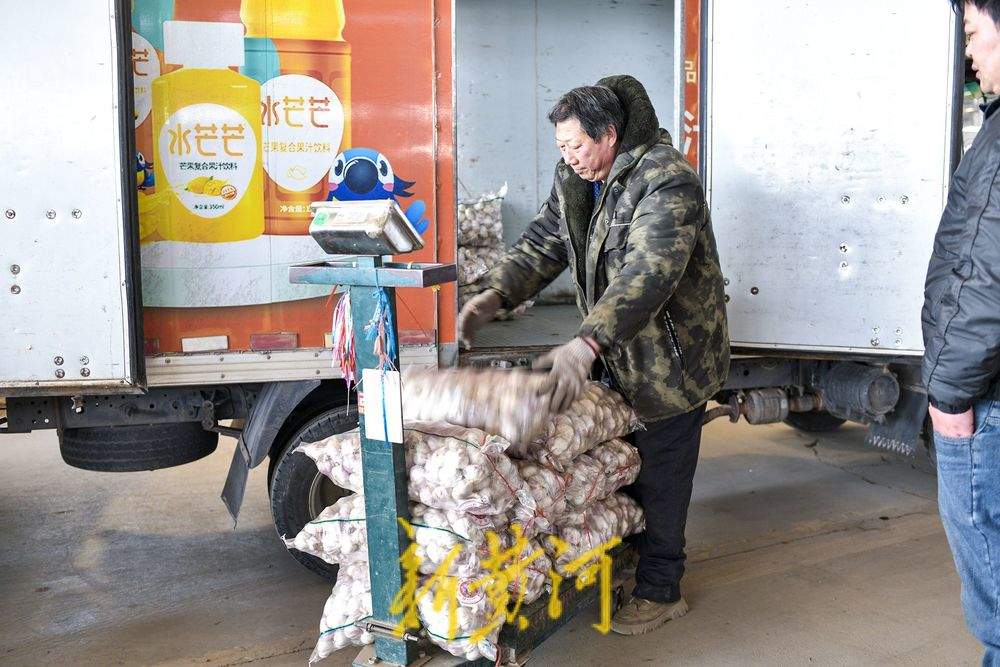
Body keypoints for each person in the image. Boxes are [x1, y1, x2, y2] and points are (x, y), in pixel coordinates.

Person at [457, 75, 729, 635]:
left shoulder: (666, 180)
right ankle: (626, 563)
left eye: (576, 146)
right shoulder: (581, 178)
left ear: (609, 134)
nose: (569, 158)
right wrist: (495, 294)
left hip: (670, 362)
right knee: (617, 469)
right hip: (616, 351)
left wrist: (586, 341)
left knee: (662, 476)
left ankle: (661, 588)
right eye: (561, 147)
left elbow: (648, 272)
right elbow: (546, 240)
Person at [924, 2, 1000, 663]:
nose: (969, 55)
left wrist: (948, 399)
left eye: (974, 35)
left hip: (988, 406)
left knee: (996, 603)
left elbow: (980, 274)